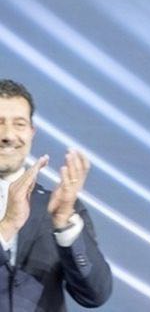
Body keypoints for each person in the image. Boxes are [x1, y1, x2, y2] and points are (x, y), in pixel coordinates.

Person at [0, 79, 112, 311]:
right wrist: (8, 225)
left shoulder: (58, 207)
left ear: (31, 132)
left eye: (19, 124)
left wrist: (64, 225)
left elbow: (95, 294)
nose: (8, 135)